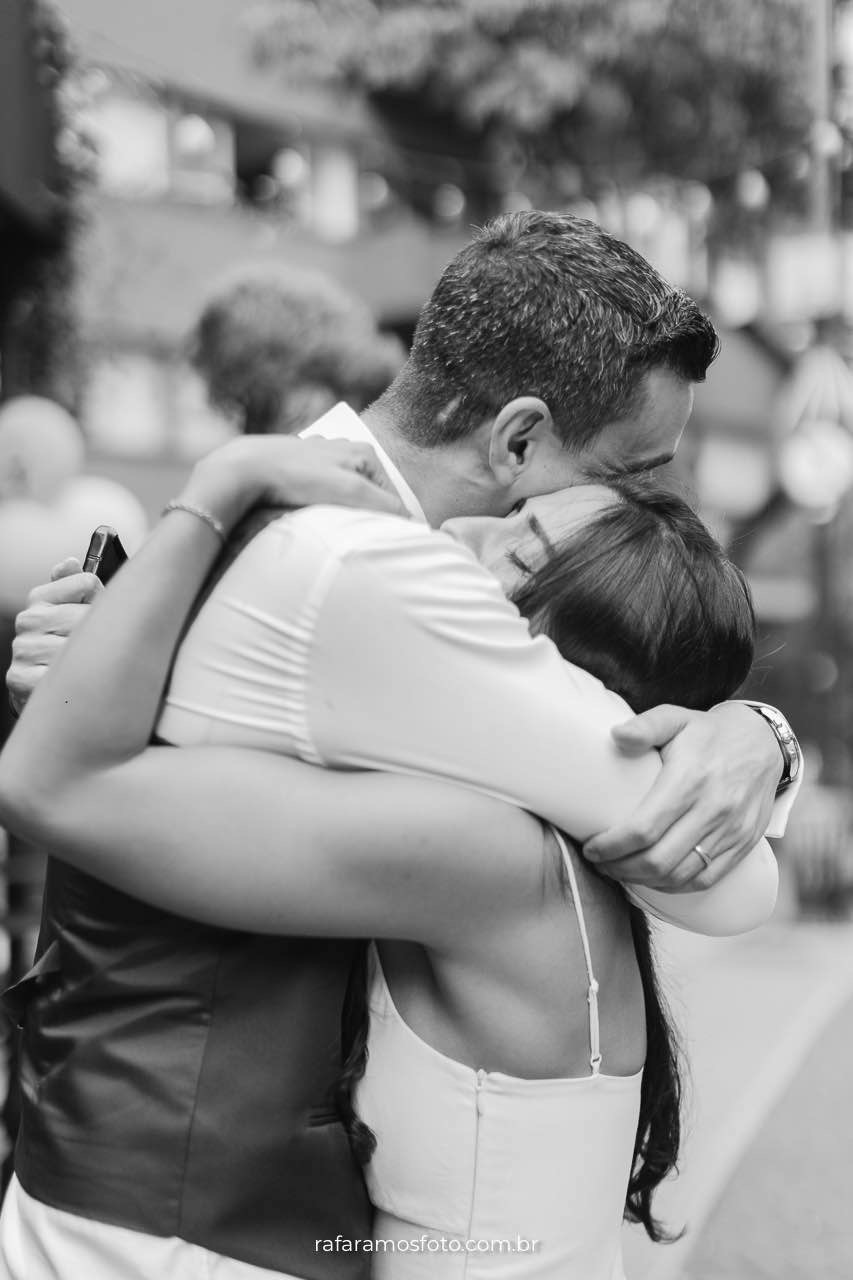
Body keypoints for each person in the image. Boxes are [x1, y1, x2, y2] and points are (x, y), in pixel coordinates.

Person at [0, 212, 799, 1280]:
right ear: (518, 440)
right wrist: (753, 745)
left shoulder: (305, 519)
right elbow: (724, 880)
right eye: (634, 472)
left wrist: (758, 732)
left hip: (162, 1190)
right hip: (182, 1226)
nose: (644, 508)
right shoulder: (380, 576)